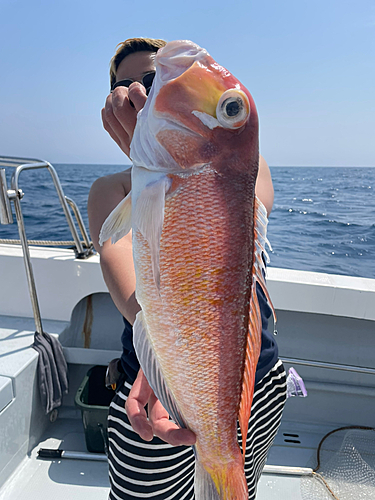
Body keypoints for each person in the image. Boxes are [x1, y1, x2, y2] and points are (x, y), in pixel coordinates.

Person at [88, 37, 287, 500]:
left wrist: (176, 163)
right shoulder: (108, 190)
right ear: (111, 104)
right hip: (153, 386)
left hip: (258, 384)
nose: (140, 91)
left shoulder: (239, 170)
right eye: (126, 85)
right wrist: (166, 363)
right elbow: (123, 274)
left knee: (236, 485)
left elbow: (239, 205)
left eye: (153, 81)